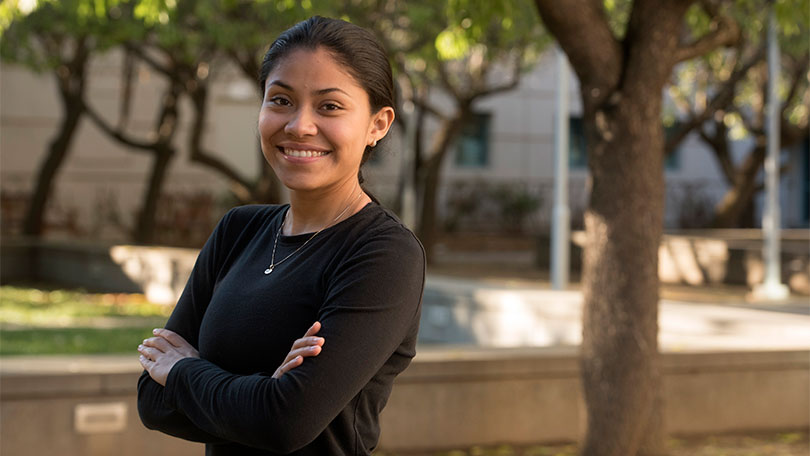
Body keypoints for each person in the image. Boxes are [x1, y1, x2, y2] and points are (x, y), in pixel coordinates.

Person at [135, 16, 425, 455]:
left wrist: (182, 372)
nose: (299, 126)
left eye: (329, 106)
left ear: (378, 124)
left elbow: (285, 422)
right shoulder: (239, 230)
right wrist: (259, 395)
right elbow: (152, 402)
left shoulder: (384, 254)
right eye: (281, 100)